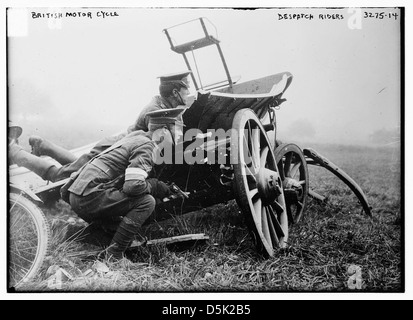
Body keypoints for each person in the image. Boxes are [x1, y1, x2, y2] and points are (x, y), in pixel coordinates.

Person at [8, 71, 192, 183]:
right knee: (62, 177)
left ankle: (44, 146)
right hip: (113, 148)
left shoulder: (164, 105)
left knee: (79, 168)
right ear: (175, 92)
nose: (189, 92)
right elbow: (167, 144)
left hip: (116, 147)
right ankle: (15, 152)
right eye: (187, 88)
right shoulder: (156, 111)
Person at [67, 107, 186, 261]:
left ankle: (66, 230)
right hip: (90, 195)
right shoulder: (148, 146)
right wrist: (154, 186)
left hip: (78, 193)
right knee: (146, 202)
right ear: (163, 131)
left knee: (120, 232)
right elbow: (133, 186)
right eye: (177, 131)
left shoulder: (137, 137)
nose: (180, 135)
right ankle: (114, 257)